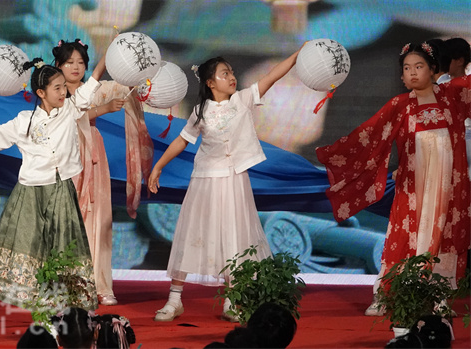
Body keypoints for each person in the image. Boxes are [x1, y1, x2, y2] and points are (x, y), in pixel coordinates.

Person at [0, 53, 110, 329]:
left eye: (64, 87)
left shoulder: (71, 109)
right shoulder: (24, 121)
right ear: (41, 92)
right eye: (57, 88)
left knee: (61, 251)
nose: (63, 92)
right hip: (30, 194)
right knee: (16, 248)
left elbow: (92, 83)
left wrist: (105, 59)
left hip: (61, 191)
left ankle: (55, 314)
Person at [147, 47, 303, 322]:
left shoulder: (242, 100)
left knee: (233, 236)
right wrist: (158, 166)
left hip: (234, 180)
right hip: (205, 179)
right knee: (191, 234)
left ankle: (232, 300)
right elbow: (182, 140)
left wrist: (295, 56)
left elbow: (271, 77)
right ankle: (174, 299)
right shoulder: (200, 111)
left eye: (231, 72)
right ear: (210, 82)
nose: (232, 77)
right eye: (224, 73)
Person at [316, 42, 470, 316]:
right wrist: (335, 154)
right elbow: (368, 136)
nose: (413, 73)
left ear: (433, 70)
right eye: (407, 68)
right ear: (401, 76)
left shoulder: (453, 97)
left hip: (447, 188)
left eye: (419, 66)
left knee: (443, 237)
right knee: (405, 236)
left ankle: (439, 298)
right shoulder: (400, 105)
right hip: (414, 189)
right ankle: (387, 295)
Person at [52, 39, 153, 306]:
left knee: (98, 219)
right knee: (65, 219)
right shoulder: (53, 91)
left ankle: (99, 284)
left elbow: (125, 88)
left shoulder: (96, 89)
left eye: (80, 62)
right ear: (58, 65)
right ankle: (65, 283)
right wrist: (103, 109)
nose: (75, 67)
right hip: (64, 155)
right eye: (69, 62)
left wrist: (135, 75)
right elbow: (67, 116)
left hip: (92, 153)